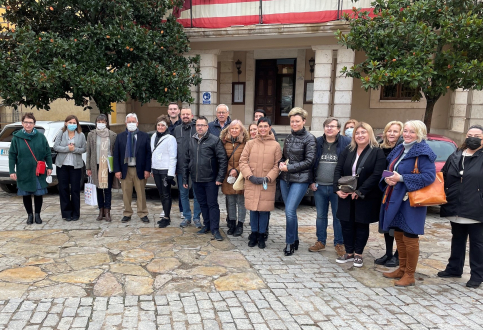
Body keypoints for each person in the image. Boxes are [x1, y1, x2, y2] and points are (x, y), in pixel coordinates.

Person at [380, 120, 436, 286]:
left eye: (412, 132)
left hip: (411, 201)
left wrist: (401, 178)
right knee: (397, 232)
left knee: (410, 235)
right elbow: (391, 168)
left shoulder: (423, 152)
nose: (407, 134)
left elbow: (429, 177)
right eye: (406, 131)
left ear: (420, 134)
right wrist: (388, 179)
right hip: (395, 196)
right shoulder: (401, 148)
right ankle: (401, 269)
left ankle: (410, 275)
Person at [334, 122, 386, 267]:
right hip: (346, 193)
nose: (360, 135)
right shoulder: (348, 150)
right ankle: (349, 252)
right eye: (357, 133)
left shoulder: (377, 152)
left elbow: (377, 174)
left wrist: (360, 191)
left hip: (366, 195)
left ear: (369, 134)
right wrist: (337, 189)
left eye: (363, 132)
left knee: (361, 224)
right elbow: (338, 169)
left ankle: (358, 254)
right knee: (346, 223)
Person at [438, 125, 483, 289]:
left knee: (477, 243)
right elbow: (443, 175)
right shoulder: (456, 155)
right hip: (455, 204)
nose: (473, 138)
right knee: (457, 238)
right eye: (470, 135)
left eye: (477, 135)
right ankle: (454, 268)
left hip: (476, 206)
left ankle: (477, 275)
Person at [309, 117, 350, 257]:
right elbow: (311, 163)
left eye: (333, 126)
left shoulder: (346, 142)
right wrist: (311, 181)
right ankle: (321, 241)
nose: (329, 128)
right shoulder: (317, 142)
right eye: (327, 126)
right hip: (319, 186)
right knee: (321, 216)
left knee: (338, 216)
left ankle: (339, 243)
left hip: (337, 188)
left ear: (338, 129)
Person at [279, 108, 316, 256]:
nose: (294, 123)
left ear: (304, 121)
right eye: (292, 121)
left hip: (301, 179)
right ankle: (295, 239)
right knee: (291, 211)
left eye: (297, 121)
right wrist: (281, 164)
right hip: (285, 178)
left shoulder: (310, 138)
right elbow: (284, 156)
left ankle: (289, 243)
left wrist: (289, 168)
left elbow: (310, 161)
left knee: (289, 210)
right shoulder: (288, 138)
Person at [239, 117, 282, 249]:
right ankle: (254, 234)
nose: (262, 129)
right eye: (260, 126)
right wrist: (249, 176)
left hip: (266, 183)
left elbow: (277, 165)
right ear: (257, 128)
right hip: (252, 182)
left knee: (264, 210)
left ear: (269, 128)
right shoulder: (250, 144)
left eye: (265, 126)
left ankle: (262, 235)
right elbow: (243, 161)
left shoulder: (275, 145)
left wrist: (268, 178)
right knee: (253, 209)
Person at [183, 116, 228, 241]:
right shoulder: (191, 140)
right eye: (198, 125)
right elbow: (186, 160)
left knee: (212, 205)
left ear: (207, 127)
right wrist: (185, 179)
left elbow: (222, 159)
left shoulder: (214, 140)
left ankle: (215, 229)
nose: (200, 127)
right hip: (196, 179)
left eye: (202, 125)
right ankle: (207, 225)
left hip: (211, 180)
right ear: (195, 126)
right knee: (202, 204)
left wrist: (219, 177)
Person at [9, 113, 52, 225]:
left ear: (34, 124)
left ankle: (37, 215)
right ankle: (30, 215)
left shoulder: (41, 137)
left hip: (38, 170)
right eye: (26, 122)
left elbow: (47, 152)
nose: (28, 124)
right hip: (23, 170)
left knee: (38, 194)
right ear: (22, 123)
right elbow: (12, 155)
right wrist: (12, 171)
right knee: (26, 194)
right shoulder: (17, 138)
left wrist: (50, 166)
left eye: (30, 122)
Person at [113, 113, 152, 223]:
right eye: (129, 122)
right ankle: (127, 213)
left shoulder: (144, 136)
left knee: (141, 193)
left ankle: (142, 213)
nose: (131, 124)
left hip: (139, 169)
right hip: (125, 169)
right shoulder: (120, 136)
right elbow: (116, 155)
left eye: (133, 121)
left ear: (137, 123)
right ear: (125, 123)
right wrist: (117, 170)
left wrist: (147, 169)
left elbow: (148, 154)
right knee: (126, 193)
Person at [375, 120, 404, 267]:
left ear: (401, 134)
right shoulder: (380, 147)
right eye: (389, 131)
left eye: (395, 131)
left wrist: (388, 176)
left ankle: (398, 256)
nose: (392, 134)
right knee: (387, 223)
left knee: (398, 224)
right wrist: (384, 177)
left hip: (399, 190)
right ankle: (388, 253)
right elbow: (380, 168)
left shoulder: (403, 149)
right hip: (385, 188)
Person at [53, 115, 86, 221]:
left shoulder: (81, 135)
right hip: (62, 165)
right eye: (70, 122)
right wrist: (67, 148)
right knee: (63, 189)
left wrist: (74, 149)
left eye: (74, 123)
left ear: (77, 124)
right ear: (66, 123)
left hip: (75, 166)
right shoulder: (61, 134)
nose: (72, 125)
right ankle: (66, 213)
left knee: (75, 189)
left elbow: (84, 149)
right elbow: (56, 147)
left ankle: (76, 213)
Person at [86, 114, 118, 222]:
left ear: (106, 123)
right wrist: (88, 167)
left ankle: (107, 211)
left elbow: (114, 151)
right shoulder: (91, 135)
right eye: (99, 121)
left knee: (107, 189)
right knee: (99, 188)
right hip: (96, 165)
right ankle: (101, 211)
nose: (101, 123)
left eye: (103, 121)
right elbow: (89, 152)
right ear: (96, 122)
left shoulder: (112, 135)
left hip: (107, 165)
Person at [174, 108, 202, 228]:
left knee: (197, 194)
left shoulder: (198, 128)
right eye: (183, 114)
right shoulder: (176, 129)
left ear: (192, 115)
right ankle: (186, 216)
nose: (185, 116)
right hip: (181, 167)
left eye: (188, 114)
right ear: (180, 116)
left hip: (196, 167)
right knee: (183, 193)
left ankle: (196, 217)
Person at [220, 120, 249, 237]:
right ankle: (232, 223)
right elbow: (221, 158)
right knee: (230, 201)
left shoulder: (246, 143)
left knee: (241, 202)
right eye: (232, 128)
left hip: (241, 175)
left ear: (241, 130)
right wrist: (229, 170)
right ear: (228, 130)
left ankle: (240, 224)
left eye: (236, 128)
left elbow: (247, 159)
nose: (234, 130)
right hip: (228, 176)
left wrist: (236, 170)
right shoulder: (223, 142)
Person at [151, 115, 177, 228]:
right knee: (161, 193)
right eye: (159, 125)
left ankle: (166, 217)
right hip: (156, 169)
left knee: (166, 194)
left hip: (165, 170)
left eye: (163, 125)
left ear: (166, 127)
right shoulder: (153, 136)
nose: (160, 127)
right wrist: (152, 168)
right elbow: (153, 153)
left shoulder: (170, 139)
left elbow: (173, 157)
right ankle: (165, 213)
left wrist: (170, 174)